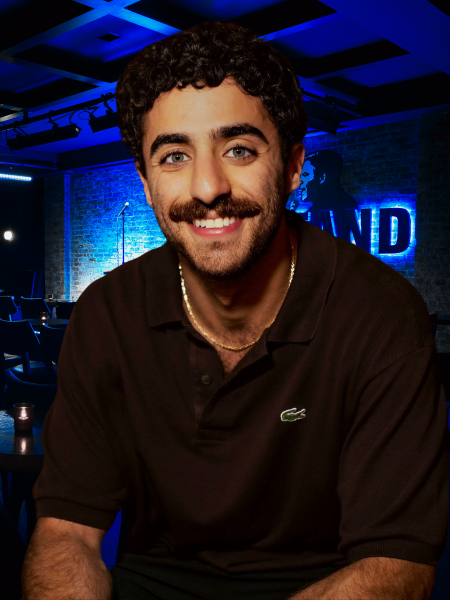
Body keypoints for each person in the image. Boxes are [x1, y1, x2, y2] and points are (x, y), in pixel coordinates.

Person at [22, 22, 448, 600]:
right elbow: (66, 531)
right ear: (146, 183)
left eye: (239, 149)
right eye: (174, 156)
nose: (207, 187)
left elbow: (396, 564)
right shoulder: (107, 314)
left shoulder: (380, 315)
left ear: (293, 167)